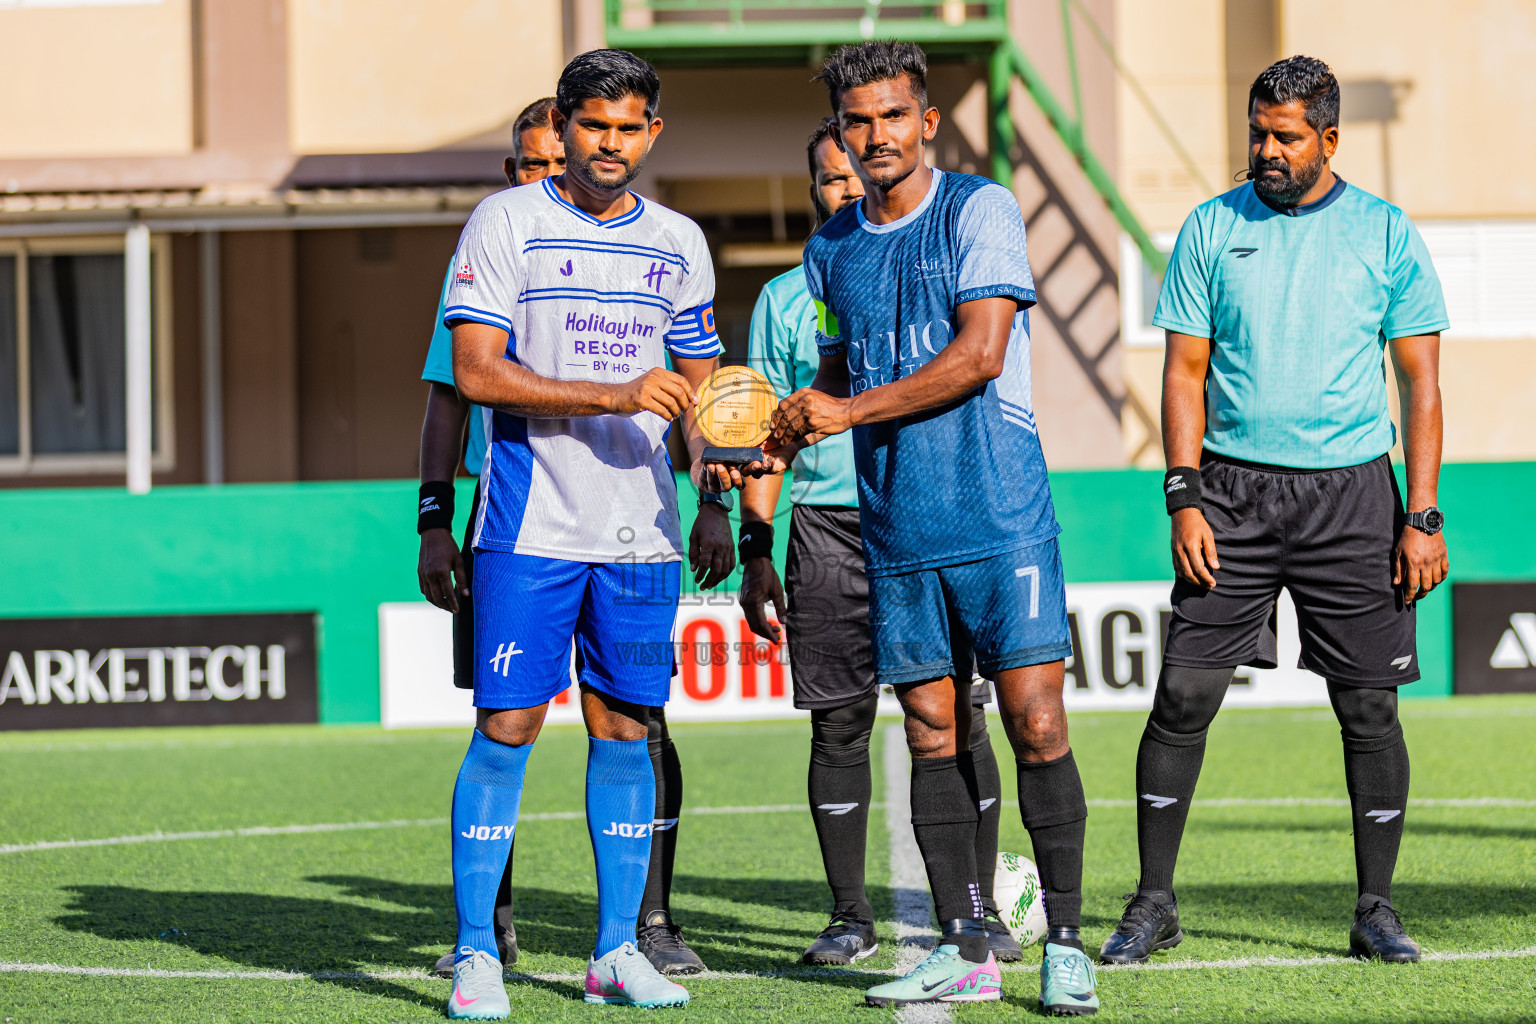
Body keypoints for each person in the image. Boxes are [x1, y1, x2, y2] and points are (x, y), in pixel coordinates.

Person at [754, 41, 1099, 1015]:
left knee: (1034, 719)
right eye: (858, 121)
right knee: (931, 728)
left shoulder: (977, 208)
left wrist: (846, 412)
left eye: (893, 115)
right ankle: (963, 943)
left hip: (999, 513)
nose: (877, 137)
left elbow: (981, 352)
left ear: (927, 120)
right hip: (896, 525)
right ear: (841, 133)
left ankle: (1066, 942)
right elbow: (837, 369)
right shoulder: (831, 248)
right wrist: (786, 420)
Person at [1098, 55, 1449, 968]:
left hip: (1355, 499)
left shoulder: (1385, 232)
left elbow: (1421, 383)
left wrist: (1424, 515)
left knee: (1370, 708)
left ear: (1330, 139)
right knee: (1182, 694)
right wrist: (1183, 496)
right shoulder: (1212, 227)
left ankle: (1375, 909)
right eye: (1257, 131)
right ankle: (1153, 902)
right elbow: (1182, 371)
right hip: (1232, 498)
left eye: (1285, 136)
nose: (1266, 149)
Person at [438, 49, 741, 1019]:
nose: (610, 145)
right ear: (565, 129)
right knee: (508, 727)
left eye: (629, 127)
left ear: (653, 133)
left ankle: (615, 949)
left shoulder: (681, 241)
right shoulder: (505, 221)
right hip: (530, 527)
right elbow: (477, 372)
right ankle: (477, 951)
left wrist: (719, 464)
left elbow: (699, 386)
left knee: (625, 728)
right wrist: (613, 392)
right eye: (593, 127)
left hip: (643, 534)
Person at [738, 115, 1023, 969]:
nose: (849, 187)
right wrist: (758, 541)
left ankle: (974, 913)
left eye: (855, 173)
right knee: (839, 726)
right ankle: (849, 914)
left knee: (962, 720)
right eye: (830, 179)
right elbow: (763, 435)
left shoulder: (943, 265)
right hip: (827, 530)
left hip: (931, 514)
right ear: (815, 190)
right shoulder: (786, 300)